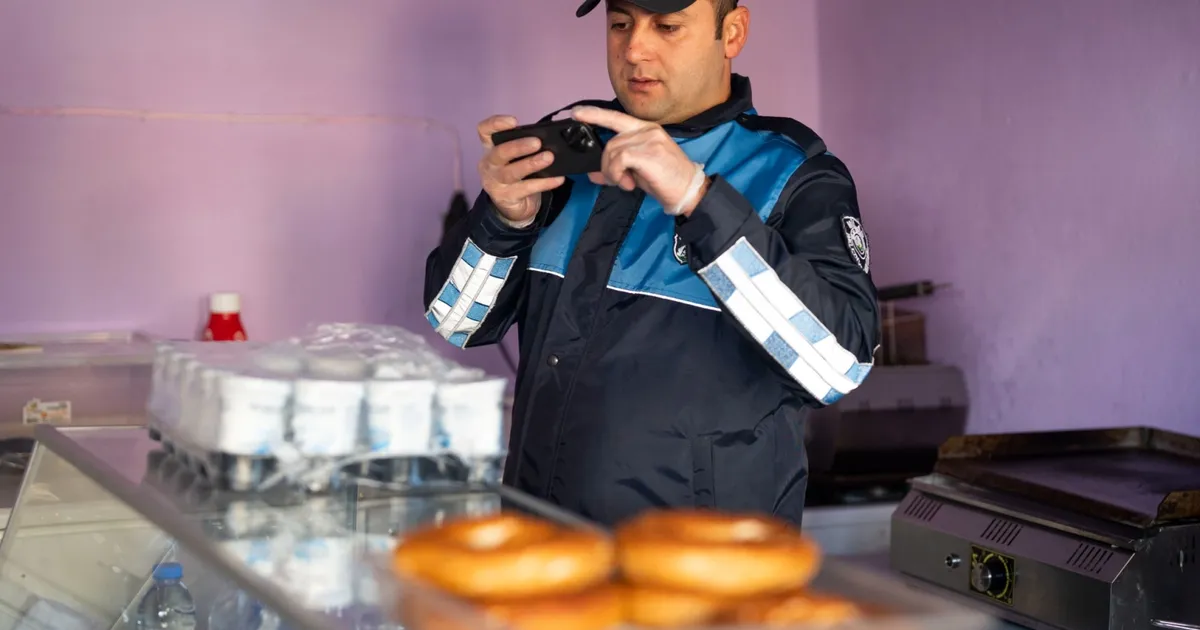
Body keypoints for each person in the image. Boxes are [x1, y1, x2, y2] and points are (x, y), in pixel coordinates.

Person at [424, 0, 880, 527]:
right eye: (621, 24)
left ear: (732, 33)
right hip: (544, 548)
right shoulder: (566, 156)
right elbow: (455, 322)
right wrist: (506, 220)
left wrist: (698, 200)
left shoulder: (795, 174)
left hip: (702, 563)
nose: (634, 49)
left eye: (667, 26)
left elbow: (838, 368)